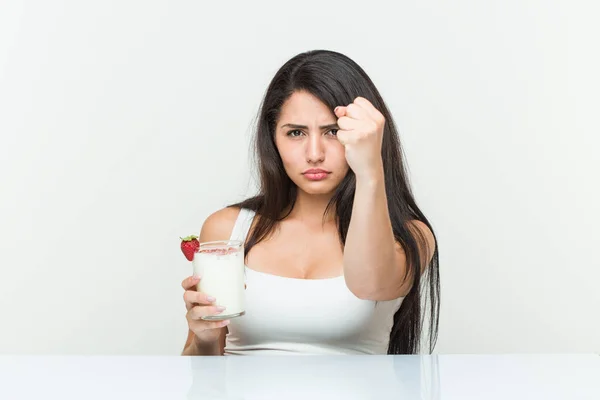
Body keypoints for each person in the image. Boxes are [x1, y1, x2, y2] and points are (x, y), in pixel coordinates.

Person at [181, 49, 440, 356]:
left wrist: (370, 169)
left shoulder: (409, 237)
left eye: (332, 131)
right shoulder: (228, 229)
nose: (314, 153)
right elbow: (201, 376)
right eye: (295, 133)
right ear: (273, 139)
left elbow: (372, 286)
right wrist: (205, 338)